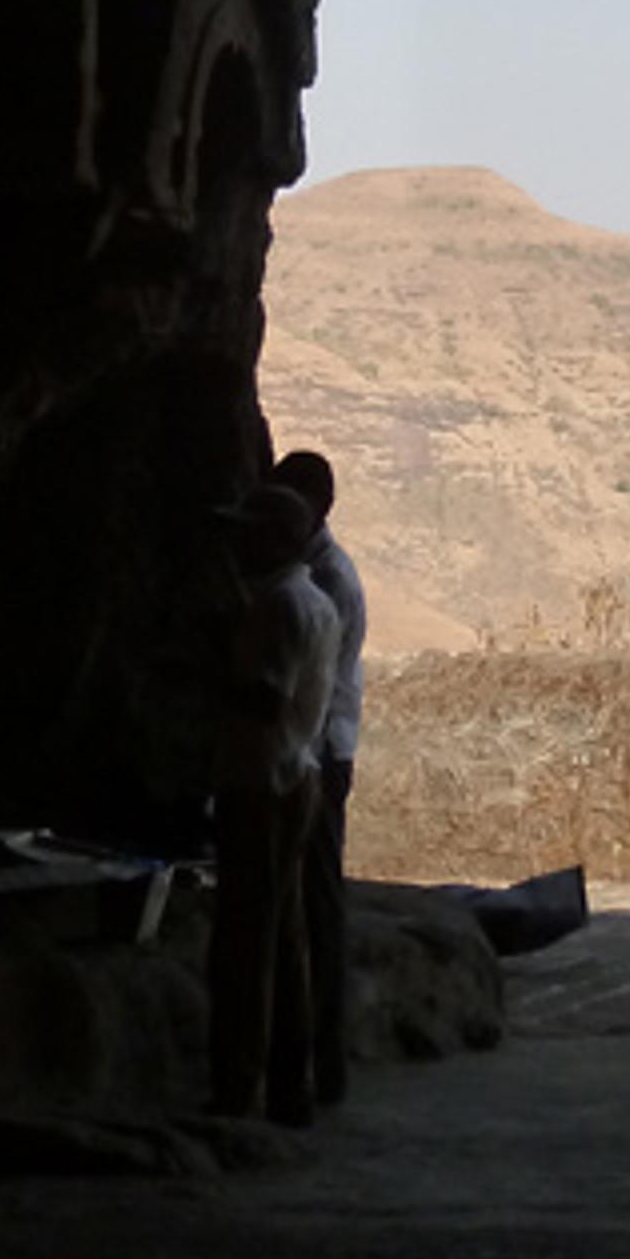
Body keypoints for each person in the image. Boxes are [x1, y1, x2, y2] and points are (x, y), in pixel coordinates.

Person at [205, 481, 342, 1125]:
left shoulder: (278, 607)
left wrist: (205, 670)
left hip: (262, 783)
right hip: (297, 775)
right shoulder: (314, 601)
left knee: (246, 943)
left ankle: (241, 1085)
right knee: (284, 940)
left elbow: (263, 698)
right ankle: (293, 1084)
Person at [275, 447, 368, 1105]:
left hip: (317, 755)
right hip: (318, 750)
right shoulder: (318, 573)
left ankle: (322, 1059)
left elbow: (313, 686)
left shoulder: (323, 581)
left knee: (316, 908)